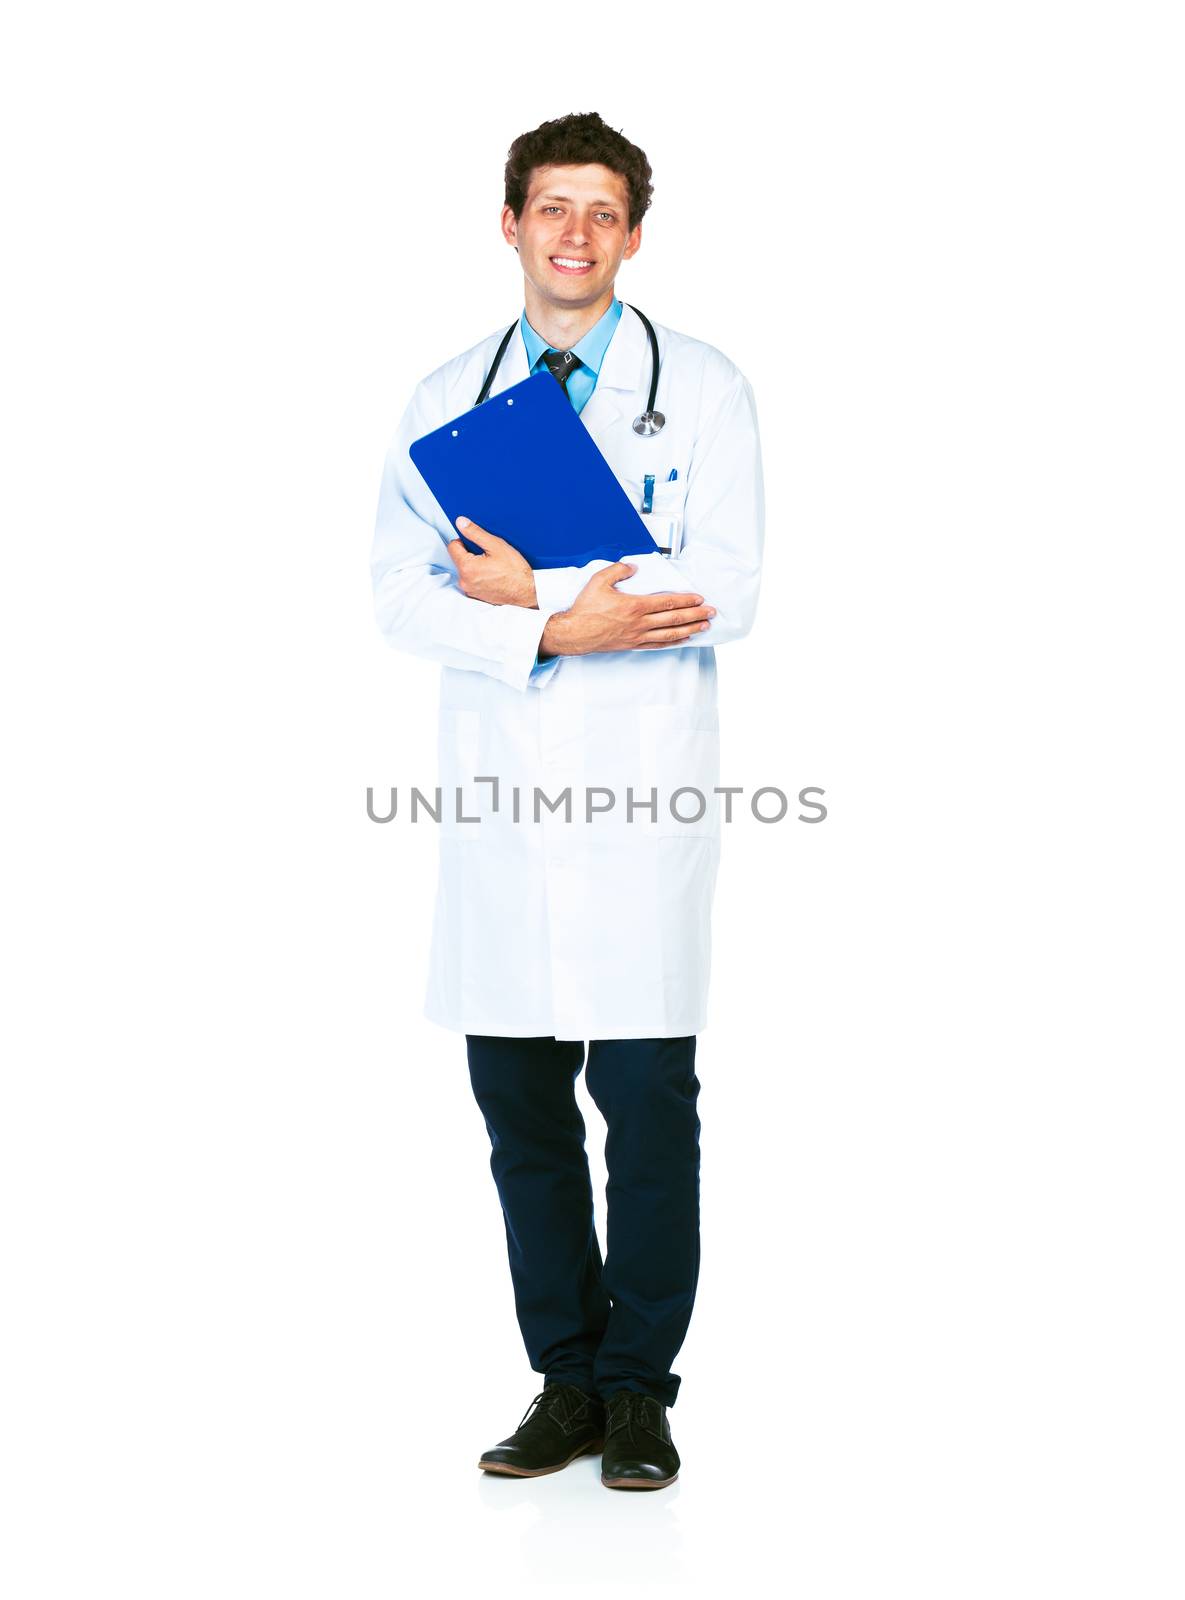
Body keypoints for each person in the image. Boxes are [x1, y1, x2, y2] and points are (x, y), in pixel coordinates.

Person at [370, 111, 764, 1490]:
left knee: (649, 1103)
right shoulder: (442, 399)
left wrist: (527, 596)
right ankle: (564, 1379)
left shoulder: (701, 390)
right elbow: (397, 597)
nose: (576, 233)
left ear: (634, 234)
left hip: (642, 805)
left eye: (603, 211)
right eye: (552, 208)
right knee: (521, 1111)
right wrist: (559, 624)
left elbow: (728, 587)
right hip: (501, 815)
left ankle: (640, 1386)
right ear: (511, 226)